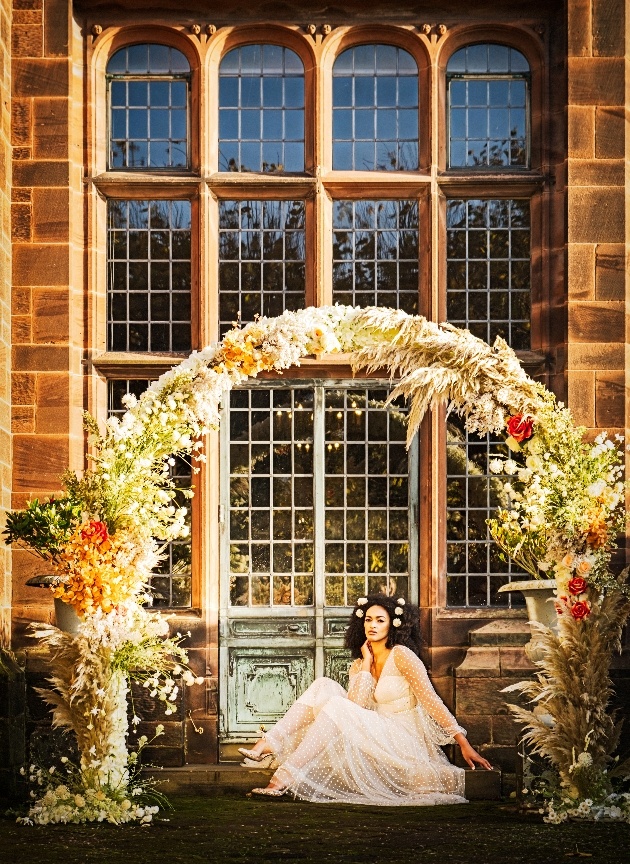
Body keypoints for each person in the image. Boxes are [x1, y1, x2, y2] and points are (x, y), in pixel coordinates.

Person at [239, 593, 492, 804]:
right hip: (376, 729)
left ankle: (283, 778)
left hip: (402, 737)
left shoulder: (402, 655)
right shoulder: (359, 663)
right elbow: (355, 707)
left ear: (392, 624)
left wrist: (462, 742)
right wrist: (367, 664)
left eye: (380, 620)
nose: (372, 625)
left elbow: (431, 701)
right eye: (368, 620)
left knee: (337, 703)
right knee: (323, 685)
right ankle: (269, 742)